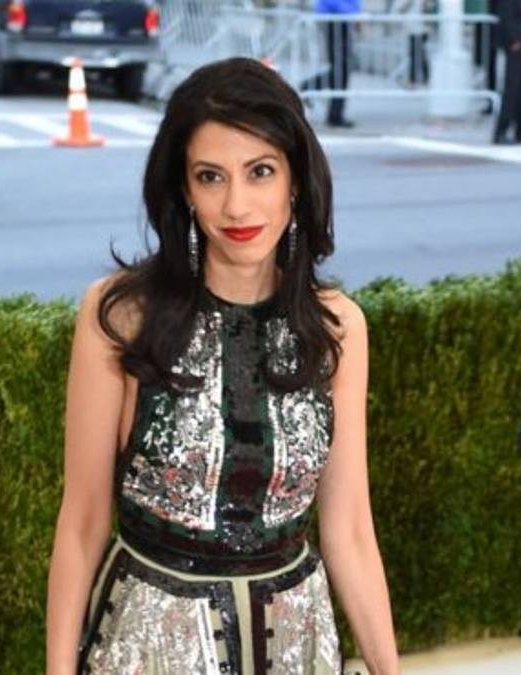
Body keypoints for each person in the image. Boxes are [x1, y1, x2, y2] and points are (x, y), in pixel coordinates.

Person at [44, 58, 400, 675]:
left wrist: (388, 670)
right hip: (148, 651)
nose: (237, 205)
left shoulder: (337, 327)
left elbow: (348, 531)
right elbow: (82, 522)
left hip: (299, 647)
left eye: (260, 172)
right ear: (184, 189)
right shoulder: (122, 315)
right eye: (211, 177)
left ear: (295, 180)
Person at [493, 0, 521, 144]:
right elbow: (506, 17)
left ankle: (520, 129)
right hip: (517, 44)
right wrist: (514, 40)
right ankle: (502, 130)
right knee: (512, 89)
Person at [317, 0, 359, 128]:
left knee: (342, 69)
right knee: (340, 69)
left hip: (342, 20)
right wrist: (353, 13)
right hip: (335, 20)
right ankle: (335, 114)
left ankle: (335, 113)